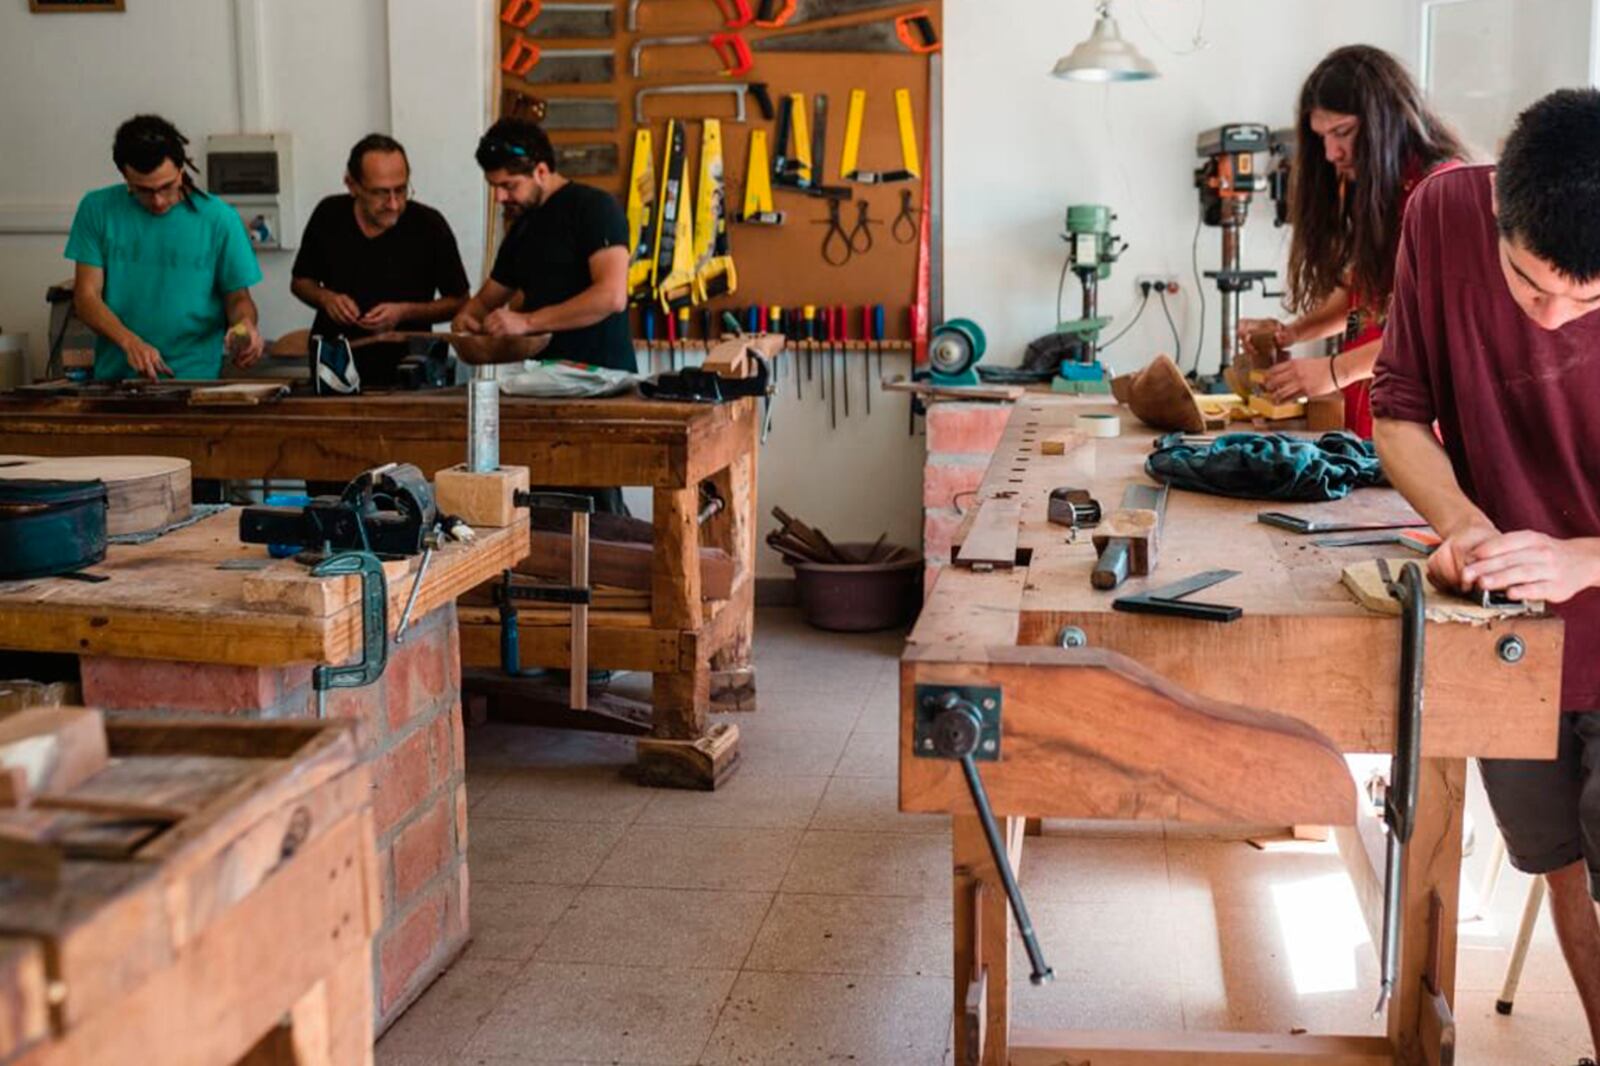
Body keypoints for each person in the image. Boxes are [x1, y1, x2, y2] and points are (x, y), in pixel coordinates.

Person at [1372, 88, 1600, 1065]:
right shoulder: (1442, 210)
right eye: (1530, 284)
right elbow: (1397, 412)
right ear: (1500, 207)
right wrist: (1464, 525)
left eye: (1588, 303)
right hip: (1515, 633)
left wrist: (1582, 558)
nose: (1552, 319)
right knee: (1557, 860)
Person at [1239, 46, 1466, 438]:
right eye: (1322, 137)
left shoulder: (1441, 193)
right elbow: (1363, 294)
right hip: (1374, 426)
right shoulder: (1385, 192)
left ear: (1387, 118)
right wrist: (1292, 333)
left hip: (1422, 435)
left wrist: (1334, 371)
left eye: (1342, 132)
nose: (1331, 153)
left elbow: (1438, 333)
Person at [66, 114, 265, 382]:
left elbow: (238, 298)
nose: (158, 201)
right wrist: (128, 342)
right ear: (125, 176)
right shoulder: (97, 209)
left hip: (194, 380)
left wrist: (245, 326)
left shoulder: (219, 219)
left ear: (181, 170)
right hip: (116, 381)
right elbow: (86, 297)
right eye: (143, 191)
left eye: (167, 187)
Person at [451, 117, 632, 373]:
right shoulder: (522, 228)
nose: (499, 197)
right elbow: (484, 302)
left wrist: (527, 322)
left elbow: (611, 297)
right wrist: (465, 319)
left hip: (600, 379)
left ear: (541, 172)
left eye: (508, 185)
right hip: (543, 379)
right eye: (494, 186)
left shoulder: (594, 208)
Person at [290, 134, 470, 389]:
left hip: (410, 372)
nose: (394, 204)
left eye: (401, 190)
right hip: (335, 368)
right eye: (380, 193)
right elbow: (300, 282)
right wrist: (326, 299)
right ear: (352, 185)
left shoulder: (429, 226)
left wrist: (405, 311)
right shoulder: (328, 215)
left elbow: (460, 301)